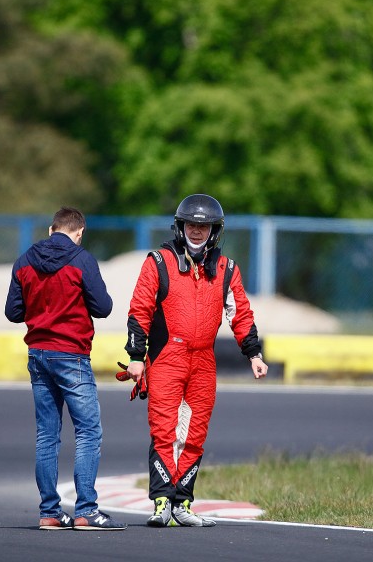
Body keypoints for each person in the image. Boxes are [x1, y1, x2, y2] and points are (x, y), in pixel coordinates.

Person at [124, 194, 268, 528]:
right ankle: (162, 501)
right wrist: (135, 356)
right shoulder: (158, 262)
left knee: (194, 434)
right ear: (180, 226)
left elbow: (240, 312)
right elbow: (140, 309)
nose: (197, 231)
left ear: (214, 230)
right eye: (192, 224)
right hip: (166, 358)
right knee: (164, 430)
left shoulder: (227, 269)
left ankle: (182, 502)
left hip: (203, 361)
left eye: (203, 226)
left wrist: (254, 354)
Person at [5, 207, 126, 531]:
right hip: (71, 354)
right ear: (79, 232)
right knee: (88, 431)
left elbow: (13, 312)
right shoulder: (82, 260)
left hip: (38, 354)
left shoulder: (25, 261)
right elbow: (103, 307)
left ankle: (50, 512)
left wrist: (41, 307)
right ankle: (86, 509)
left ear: (51, 229)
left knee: (47, 434)